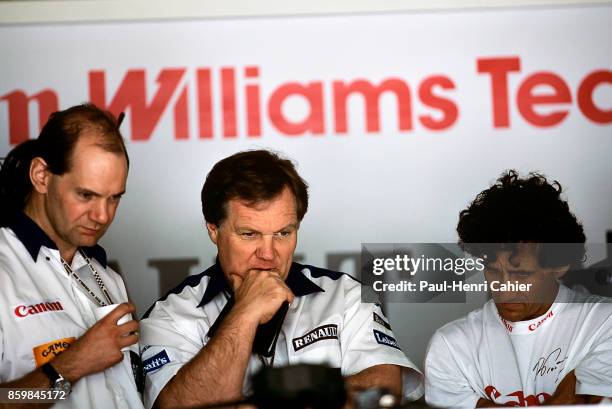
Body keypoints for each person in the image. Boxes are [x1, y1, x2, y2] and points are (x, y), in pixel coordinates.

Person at [139, 149, 423, 409]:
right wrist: (244, 314)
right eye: (249, 234)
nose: (268, 254)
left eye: (283, 233)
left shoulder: (347, 295)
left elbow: (384, 387)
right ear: (213, 230)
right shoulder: (171, 315)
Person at [424, 170, 612, 407]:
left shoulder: (606, 324)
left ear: (559, 265)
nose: (504, 288)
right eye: (492, 269)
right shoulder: (450, 345)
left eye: (521, 274)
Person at [0, 104, 144, 409]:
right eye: (86, 195)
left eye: (114, 197)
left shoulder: (107, 278)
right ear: (41, 176)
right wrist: (71, 366)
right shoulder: (4, 271)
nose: (102, 215)